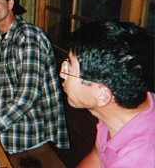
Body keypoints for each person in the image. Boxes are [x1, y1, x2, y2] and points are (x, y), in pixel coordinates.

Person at [0, 0, 69, 165]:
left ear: (11, 4)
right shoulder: (6, 36)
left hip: (28, 135)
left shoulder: (27, 36)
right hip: (13, 125)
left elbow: (28, 96)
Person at [60, 21, 155, 167]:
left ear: (102, 95)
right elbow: (97, 158)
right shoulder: (120, 111)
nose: (62, 73)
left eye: (68, 68)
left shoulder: (140, 160)